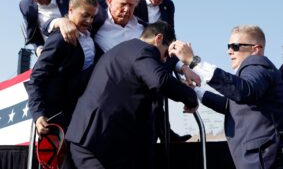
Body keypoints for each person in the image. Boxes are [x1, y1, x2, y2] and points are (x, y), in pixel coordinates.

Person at [65, 21, 198, 169]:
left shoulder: (127, 50)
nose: (164, 60)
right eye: (166, 53)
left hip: (96, 139)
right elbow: (159, 80)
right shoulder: (143, 51)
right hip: (95, 141)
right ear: (158, 38)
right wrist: (190, 98)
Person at [170, 25, 283, 169]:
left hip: (269, 159)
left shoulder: (257, 64)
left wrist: (194, 61)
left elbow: (244, 91)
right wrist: (196, 90)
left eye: (235, 46)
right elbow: (230, 105)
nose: (230, 51)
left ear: (256, 49)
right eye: (228, 46)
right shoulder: (251, 74)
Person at [26, 0, 98, 134]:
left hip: (80, 114)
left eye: (92, 17)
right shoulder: (60, 38)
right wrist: (38, 114)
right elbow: (37, 77)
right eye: (85, 15)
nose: (89, 21)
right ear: (70, 10)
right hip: (59, 118)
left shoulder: (89, 36)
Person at [17, 0, 82, 56]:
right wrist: (39, 50)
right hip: (56, 60)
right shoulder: (26, 6)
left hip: (84, 52)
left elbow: (95, 13)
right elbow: (33, 36)